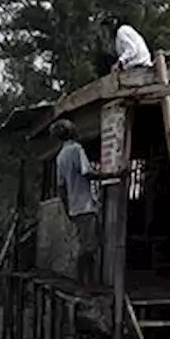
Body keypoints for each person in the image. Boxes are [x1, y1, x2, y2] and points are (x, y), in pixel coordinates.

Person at [50, 119, 101, 287]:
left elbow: (61, 187)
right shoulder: (77, 149)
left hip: (75, 208)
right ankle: (85, 283)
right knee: (89, 247)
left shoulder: (60, 156)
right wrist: (112, 174)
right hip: (85, 205)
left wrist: (67, 209)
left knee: (86, 244)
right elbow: (87, 173)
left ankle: (85, 282)